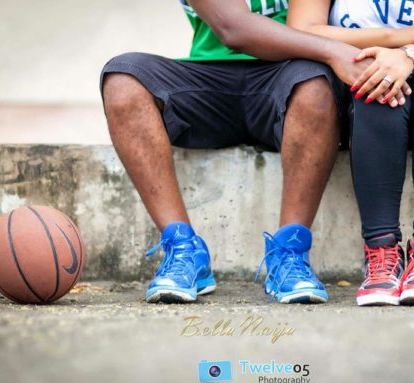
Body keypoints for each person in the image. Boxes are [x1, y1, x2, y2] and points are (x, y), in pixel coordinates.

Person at [100, 0, 391, 304]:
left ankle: (289, 253)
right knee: (123, 80)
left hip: (290, 76)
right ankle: (184, 249)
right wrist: (334, 50)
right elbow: (232, 27)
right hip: (208, 80)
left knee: (316, 86)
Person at [288, 0, 414, 306]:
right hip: (363, 81)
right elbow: (302, 30)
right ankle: (381, 253)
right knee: (375, 87)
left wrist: (408, 57)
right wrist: (393, 42)